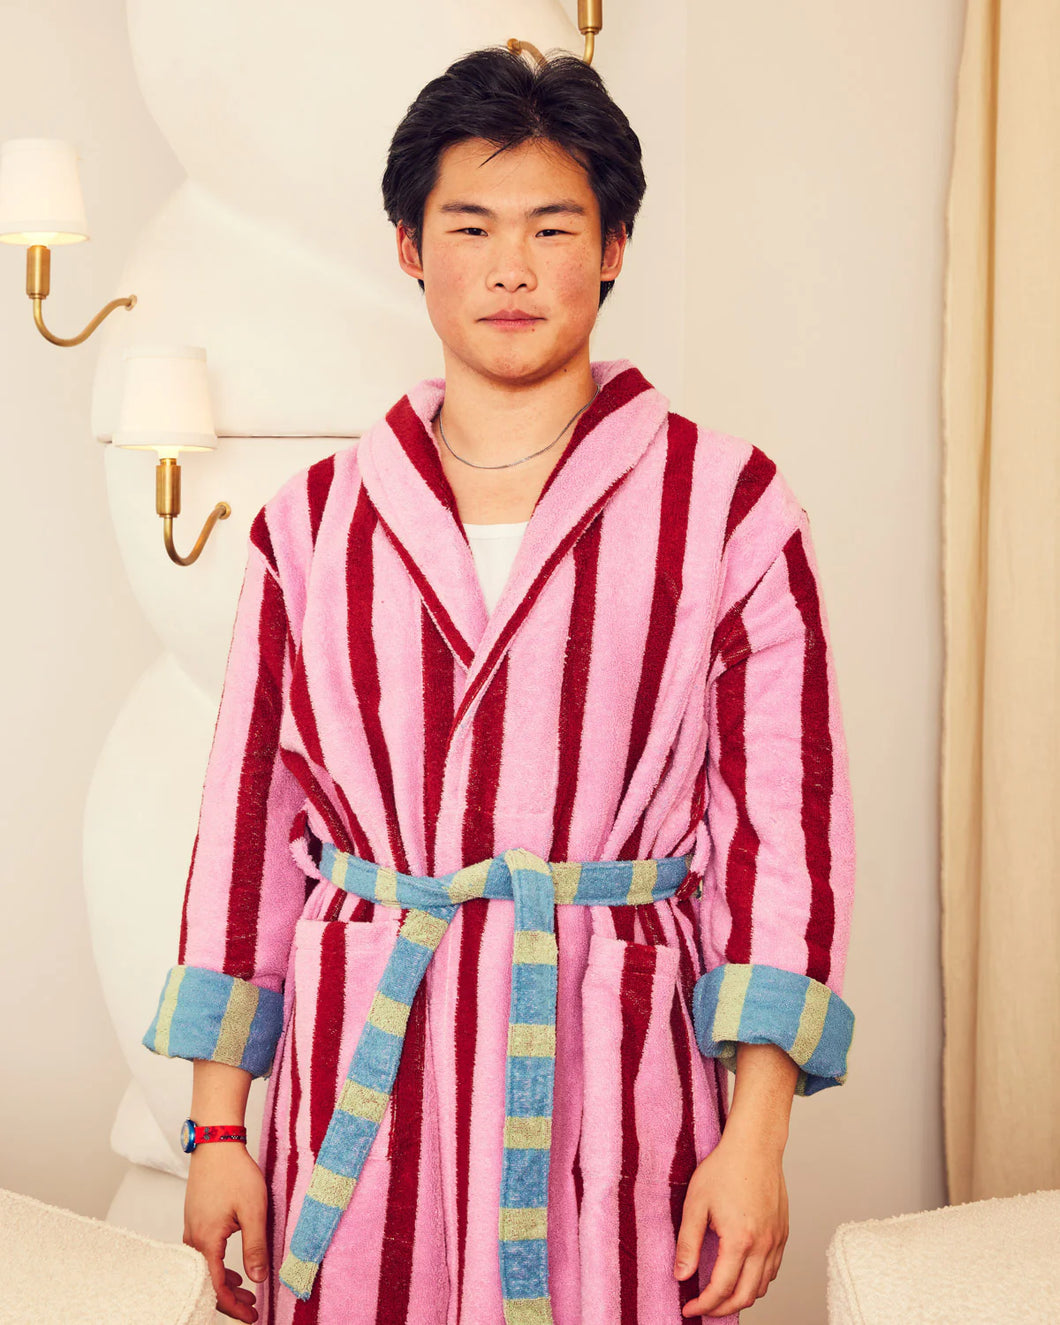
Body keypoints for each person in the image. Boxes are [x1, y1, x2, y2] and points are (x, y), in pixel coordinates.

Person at [142, 45, 856, 1325]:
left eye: (552, 227)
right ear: (410, 248)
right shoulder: (313, 523)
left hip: (614, 1074)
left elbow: (783, 841)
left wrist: (755, 1141)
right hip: (365, 1067)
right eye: (470, 226)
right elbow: (247, 830)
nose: (511, 267)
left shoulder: (727, 507)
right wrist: (218, 1132)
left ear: (615, 246)